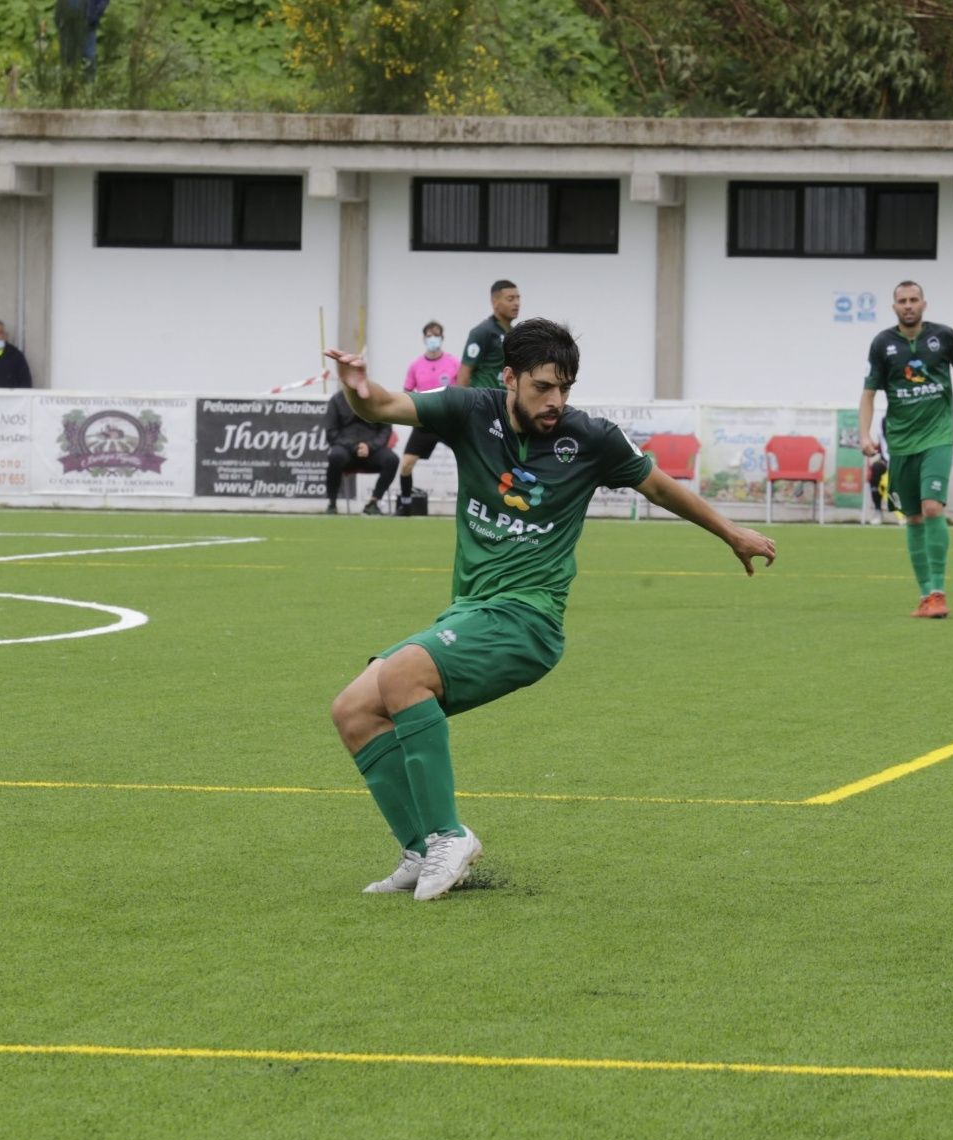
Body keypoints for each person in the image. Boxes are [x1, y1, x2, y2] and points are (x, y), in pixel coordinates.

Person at [325, 321, 775, 900]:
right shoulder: (470, 411)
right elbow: (385, 403)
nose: (556, 401)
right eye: (543, 387)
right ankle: (418, 846)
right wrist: (357, 386)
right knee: (354, 709)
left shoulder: (591, 438)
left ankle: (448, 836)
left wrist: (731, 532)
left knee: (404, 673)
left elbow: (660, 487)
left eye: (565, 387)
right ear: (509, 378)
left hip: (528, 622)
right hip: (471, 612)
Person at [858, 280, 953, 619]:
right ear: (894, 307)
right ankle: (925, 594)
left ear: (924, 304)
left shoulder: (943, 336)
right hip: (900, 442)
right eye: (902, 300)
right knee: (912, 516)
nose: (908, 305)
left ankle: (939, 592)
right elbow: (869, 392)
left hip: (938, 437)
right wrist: (864, 433)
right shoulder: (882, 344)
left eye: (914, 299)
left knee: (932, 507)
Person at [398, 320, 460, 511]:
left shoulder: (453, 363)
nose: (433, 338)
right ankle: (406, 505)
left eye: (436, 335)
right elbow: (406, 392)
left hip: (448, 421)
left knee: (471, 458)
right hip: (424, 421)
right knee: (406, 464)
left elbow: (465, 388)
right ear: (424, 338)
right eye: (429, 335)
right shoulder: (415, 365)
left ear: (442, 338)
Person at [323, 387, 399, 515]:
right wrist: (354, 447)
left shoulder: (376, 399)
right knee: (335, 456)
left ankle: (373, 502)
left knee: (392, 460)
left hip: (372, 451)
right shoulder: (336, 400)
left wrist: (370, 446)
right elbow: (331, 433)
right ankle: (332, 503)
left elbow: (386, 430)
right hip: (346, 450)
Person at [456, 280, 520, 390]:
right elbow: (464, 374)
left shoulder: (515, 333)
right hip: (484, 401)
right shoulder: (482, 332)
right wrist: (462, 405)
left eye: (518, 298)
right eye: (510, 299)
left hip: (505, 401)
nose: (516, 303)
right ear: (494, 302)